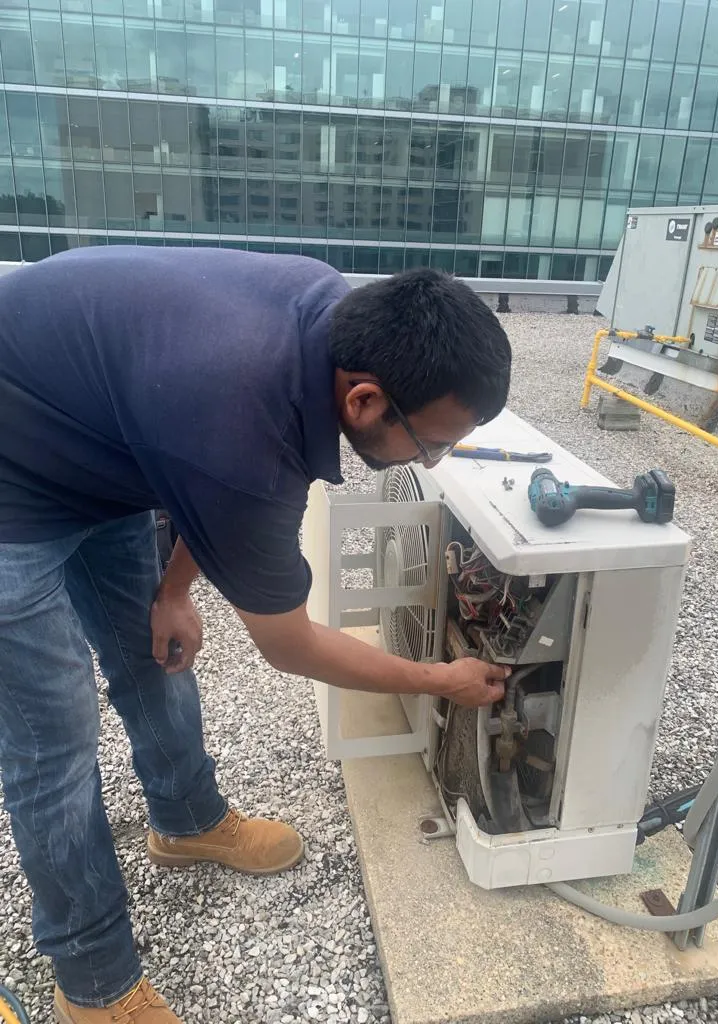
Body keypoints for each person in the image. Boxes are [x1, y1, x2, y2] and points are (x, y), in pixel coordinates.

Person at [0, 247, 512, 1023]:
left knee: (155, 653)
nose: (432, 460)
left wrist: (174, 590)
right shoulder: (244, 425)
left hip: (91, 443)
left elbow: (200, 475)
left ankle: (187, 821)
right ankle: (95, 986)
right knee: (54, 743)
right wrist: (441, 680)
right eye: (431, 443)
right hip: (12, 487)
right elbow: (289, 646)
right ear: (366, 402)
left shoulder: (328, 319)